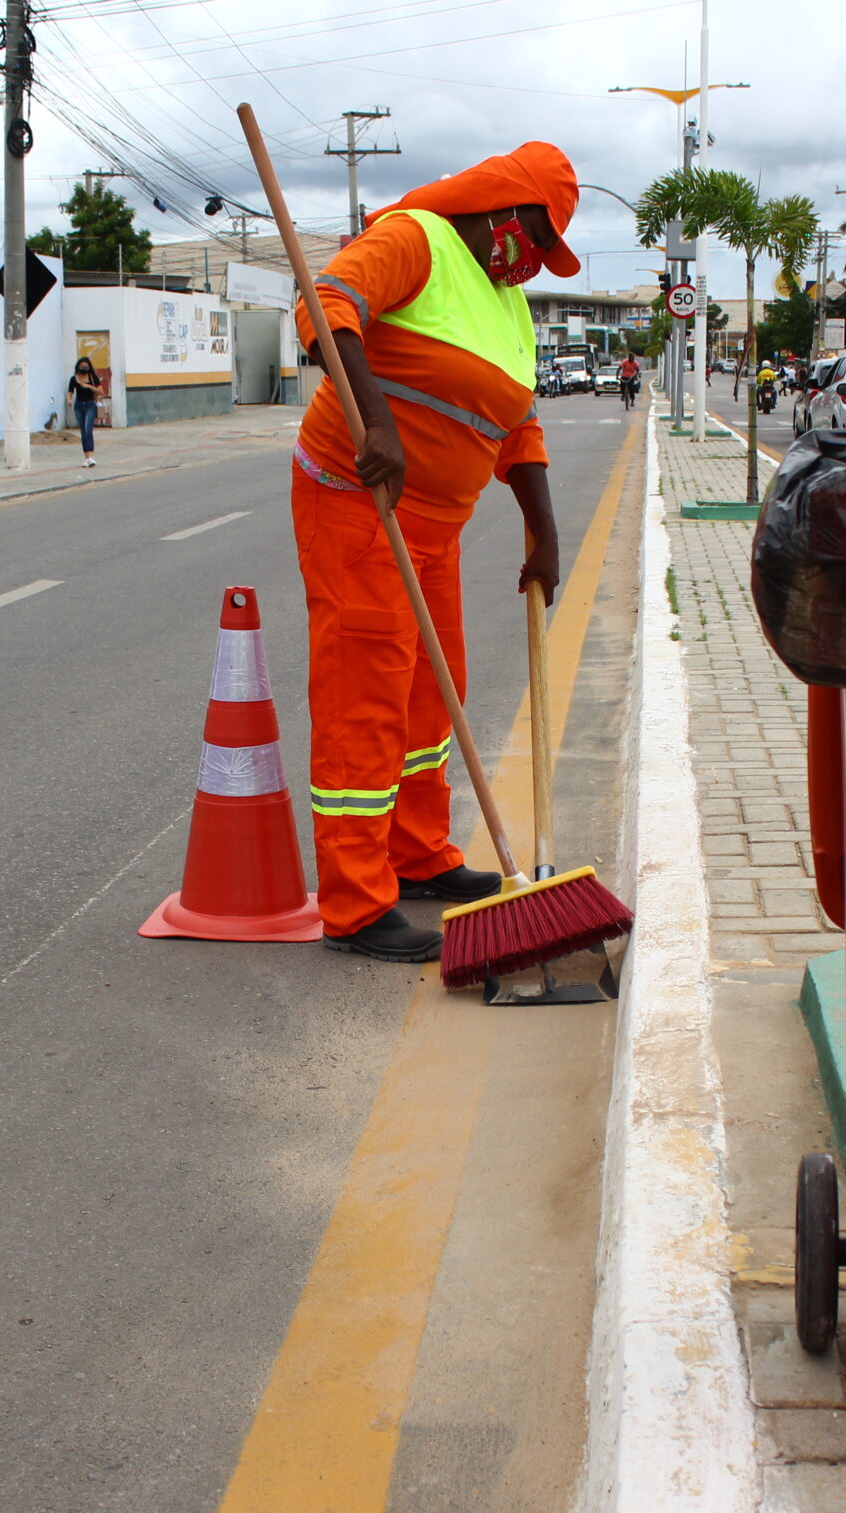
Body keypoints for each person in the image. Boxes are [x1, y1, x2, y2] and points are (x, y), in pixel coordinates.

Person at [290, 140, 575, 961]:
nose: (532, 264)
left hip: (435, 526)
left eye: (547, 253)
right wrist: (377, 422)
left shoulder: (507, 304)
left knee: (432, 689)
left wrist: (544, 530)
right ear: (501, 205)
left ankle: (418, 854)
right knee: (365, 692)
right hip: (359, 499)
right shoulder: (417, 239)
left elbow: (517, 422)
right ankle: (353, 902)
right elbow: (328, 304)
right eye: (536, 236)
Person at [67, 357, 102, 466]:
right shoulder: (73, 379)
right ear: (78, 367)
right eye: (82, 367)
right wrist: (69, 400)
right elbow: (70, 392)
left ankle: (91, 456)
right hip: (78, 406)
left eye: (86, 367)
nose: (84, 369)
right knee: (83, 431)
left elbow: (101, 391)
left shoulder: (92, 377)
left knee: (88, 430)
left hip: (90, 405)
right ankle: (87, 458)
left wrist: (89, 386)